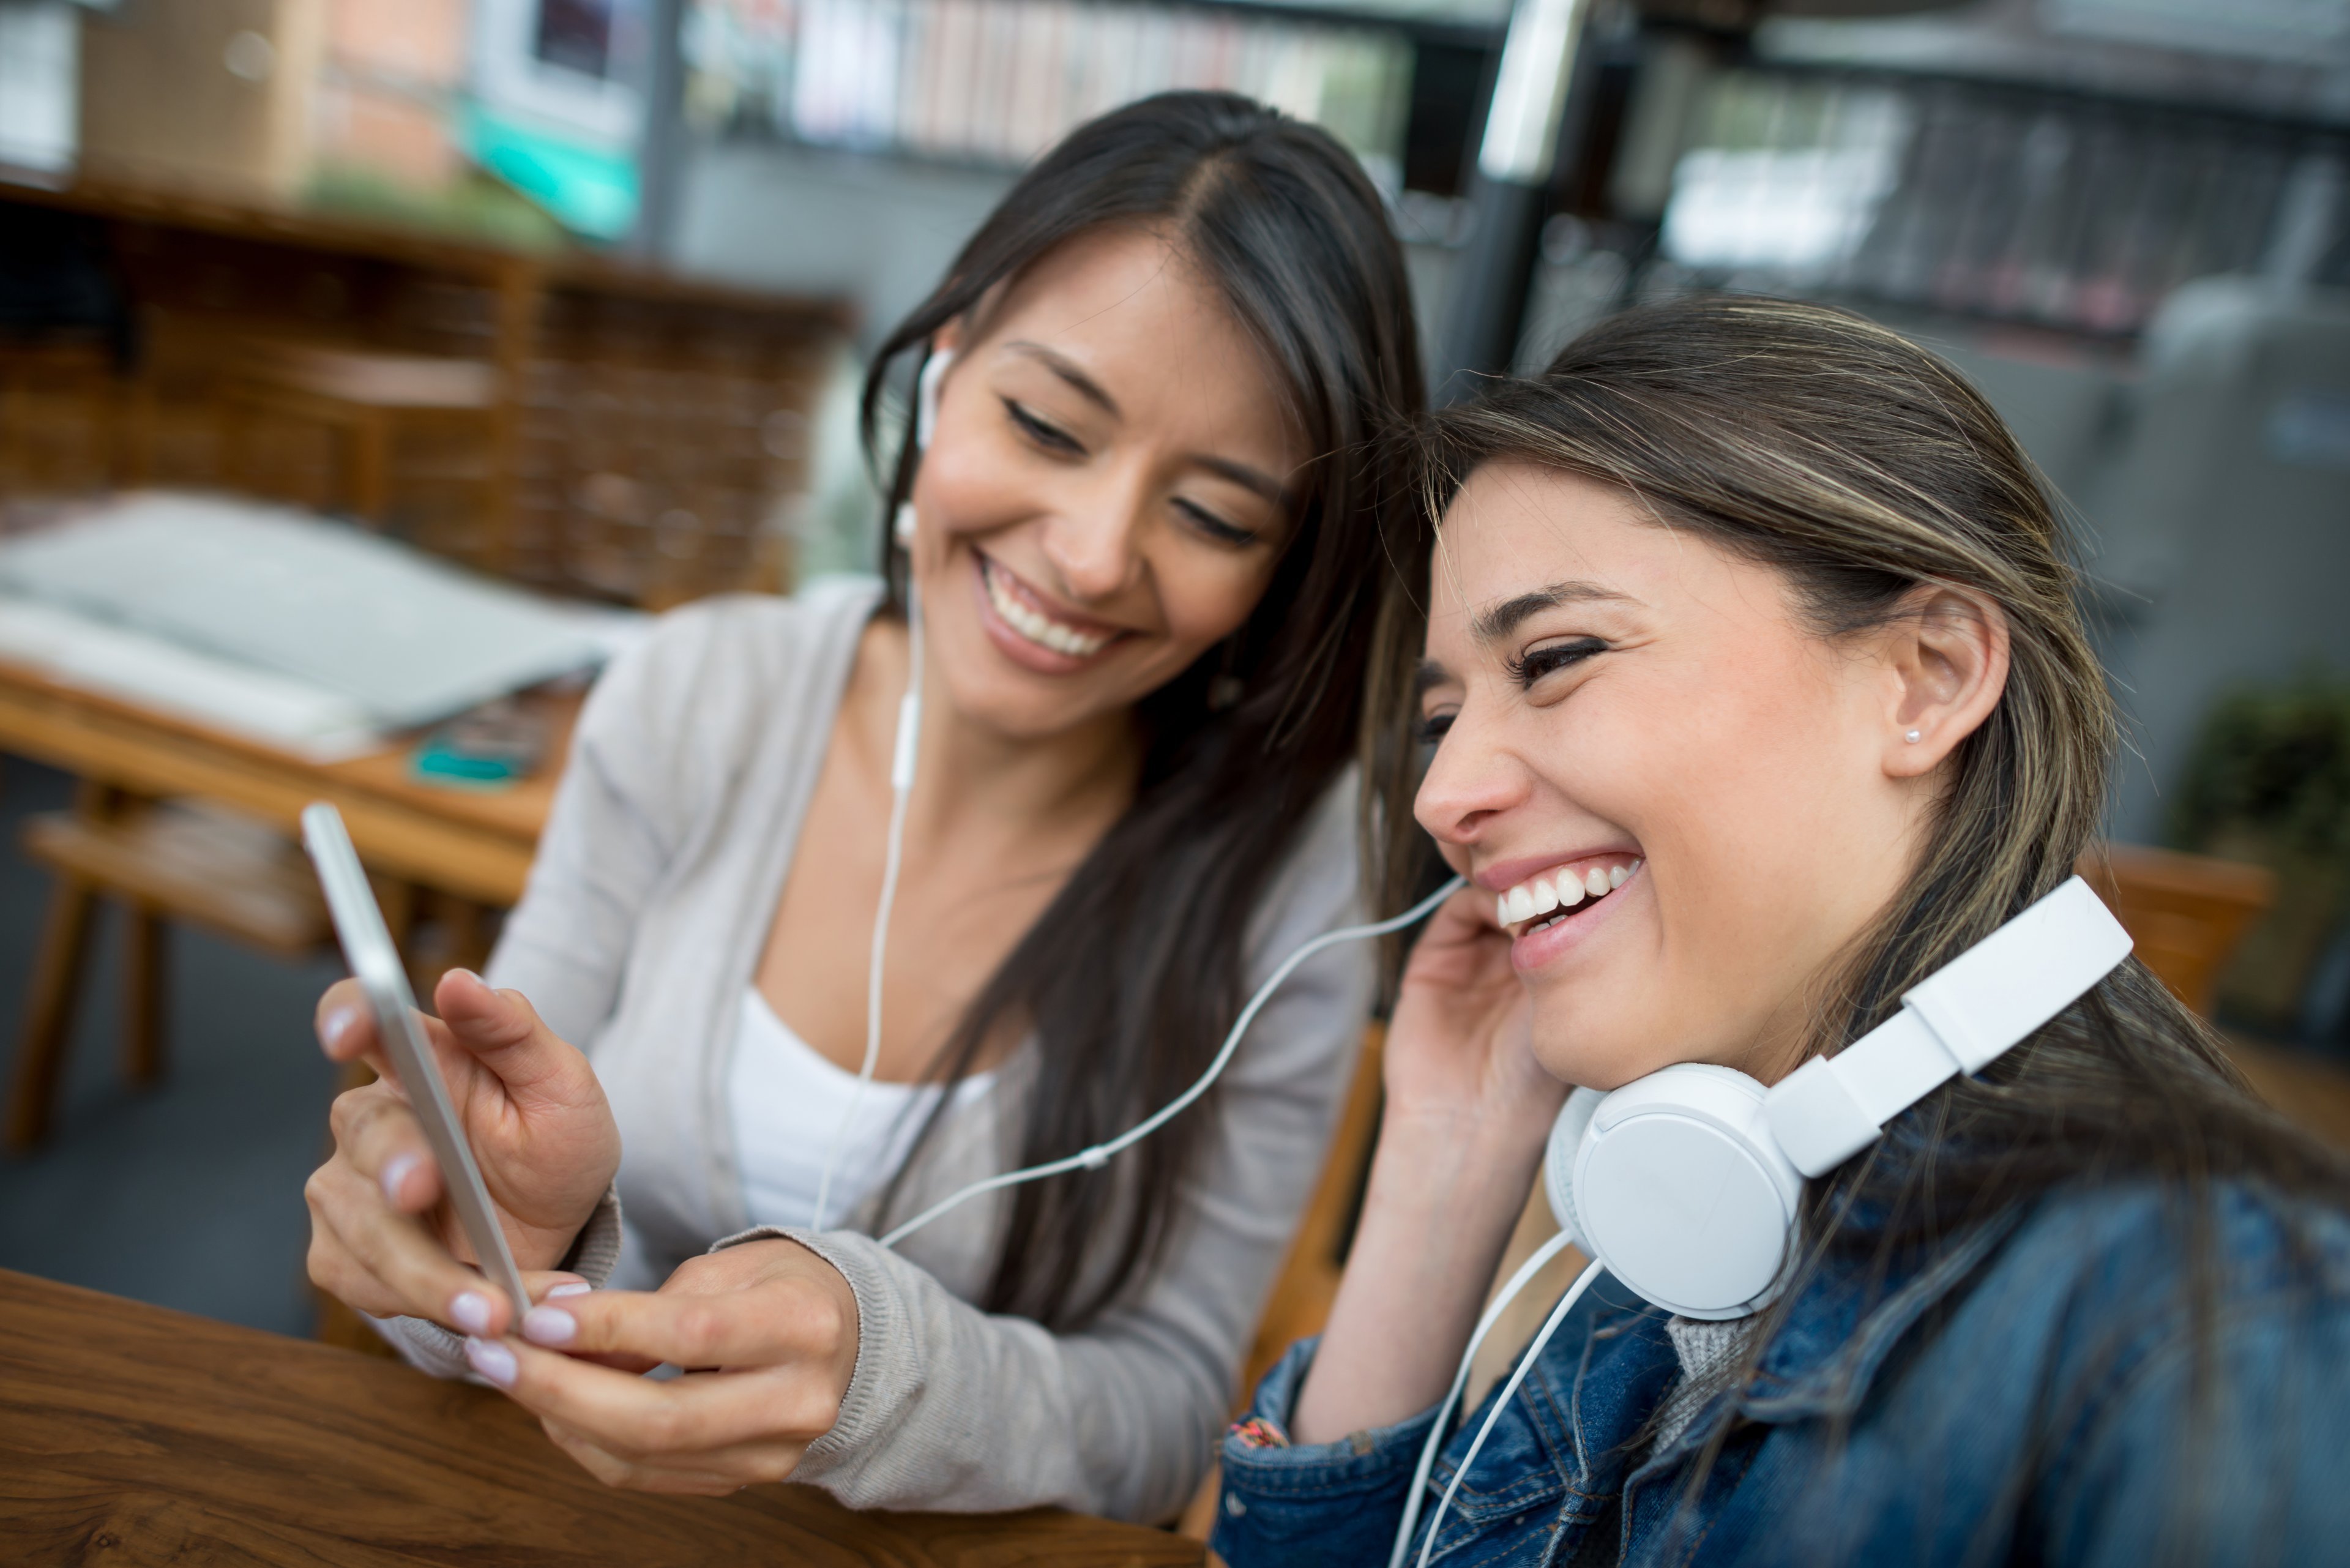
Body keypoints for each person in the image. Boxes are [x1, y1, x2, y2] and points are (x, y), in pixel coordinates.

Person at [302, 91, 1423, 1523]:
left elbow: (1166, 1414)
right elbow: (454, 1301)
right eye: (1045, 424)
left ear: (1284, 572)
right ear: (945, 370)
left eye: (1211, 516)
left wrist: (889, 1373)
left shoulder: (1289, 882)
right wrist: (469, 1243)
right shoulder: (700, 694)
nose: (1088, 559)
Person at [1213, 296, 2350, 1565]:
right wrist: (1446, 1151)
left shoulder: (2221, 1313)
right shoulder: (1707, 1213)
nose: (1441, 794)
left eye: (1556, 656)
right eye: (1441, 720)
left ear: (1926, 677)